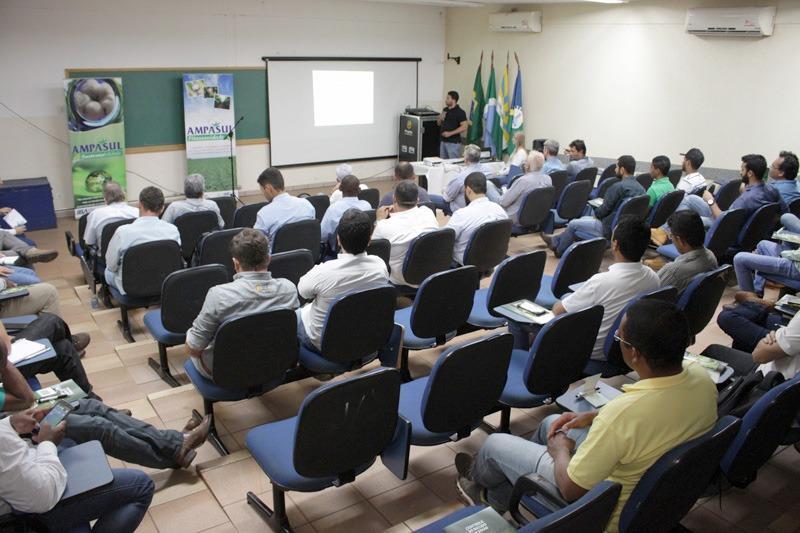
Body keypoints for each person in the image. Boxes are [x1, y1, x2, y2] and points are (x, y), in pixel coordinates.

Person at [455, 299, 717, 533]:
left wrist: (560, 452)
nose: (618, 339)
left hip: (601, 510)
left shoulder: (623, 415)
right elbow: (646, 417)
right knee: (550, 423)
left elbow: (571, 490)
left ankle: (478, 483)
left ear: (634, 353)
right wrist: (593, 416)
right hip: (652, 489)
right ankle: (498, 496)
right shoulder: (701, 378)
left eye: (620, 338)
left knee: (495, 444)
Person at [0, 323, 212, 469]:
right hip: (16, 427)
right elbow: (25, 399)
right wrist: (4, 362)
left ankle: (175, 446)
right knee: (99, 427)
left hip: (21, 414)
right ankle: (174, 450)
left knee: (93, 407)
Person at [0, 337, 155, 532]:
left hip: (22, 482)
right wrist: (47, 444)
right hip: (21, 514)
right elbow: (42, 498)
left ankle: (175, 446)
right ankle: (175, 448)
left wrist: (11, 424)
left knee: (84, 411)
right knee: (141, 485)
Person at [186, 229, 299, 379]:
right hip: (273, 362)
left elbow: (193, 348)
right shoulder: (289, 289)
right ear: (268, 259)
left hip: (226, 372)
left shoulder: (219, 295)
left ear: (235, 263)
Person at [548, 216, 660, 357]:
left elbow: (559, 311)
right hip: (624, 350)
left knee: (555, 313)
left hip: (591, 352)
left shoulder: (601, 281)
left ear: (615, 245)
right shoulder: (653, 278)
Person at [298, 209, 389, 351]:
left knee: (295, 315)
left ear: (338, 239)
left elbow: (303, 293)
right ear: (370, 240)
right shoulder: (380, 266)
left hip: (324, 344)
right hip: (363, 335)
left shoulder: (324, 272)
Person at [542, 155, 645, 258]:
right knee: (583, 219)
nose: (615, 169)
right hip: (625, 229)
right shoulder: (642, 189)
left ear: (622, 170)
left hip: (608, 229)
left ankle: (559, 250)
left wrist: (596, 209)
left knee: (573, 223)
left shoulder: (617, 187)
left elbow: (602, 212)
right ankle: (555, 240)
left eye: (617, 167)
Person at [104, 187, 180, 296]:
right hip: (164, 283)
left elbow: (111, 265)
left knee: (108, 272)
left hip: (130, 288)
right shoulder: (173, 231)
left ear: (139, 205)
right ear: (162, 208)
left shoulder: (122, 232)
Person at [685, 154, 785, 227]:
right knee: (690, 199)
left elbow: (722, 219)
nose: (740, 172)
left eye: (742, 169)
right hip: (753, 231)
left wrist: (710, 200)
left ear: (750, 173)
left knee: (687, 220)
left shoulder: (746, 199)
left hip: (726, 229)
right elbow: (784, 212)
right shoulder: (772, 190)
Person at [9, 313, 94, 398]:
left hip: (8, 357)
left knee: (64, 348)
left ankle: (88, 398)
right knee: (52, 321)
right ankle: (70, 343)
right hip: (6, 367)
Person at [715, 293, 800, 377]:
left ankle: (756, 305)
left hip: (769, 374)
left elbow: (758, 356)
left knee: (727, 319)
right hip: (787, 333)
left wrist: (774, 337)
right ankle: (756, 305)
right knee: (740, 334)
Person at [372, 181, 439, 287]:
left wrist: (379, 220)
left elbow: (372, 248)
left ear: (394, 199)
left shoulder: (383, 226)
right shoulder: (428, 212)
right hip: (431, 274)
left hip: (401, 279)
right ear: (417, 200)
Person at [446, 172, 508, 265]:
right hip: (493, 257)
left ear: (468, 190)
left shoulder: (461, 215)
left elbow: (445, 239)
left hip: (465, 261)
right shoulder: (500, 211)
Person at [656, 211, 718, 293]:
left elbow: (647, 297)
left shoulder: (672, 272)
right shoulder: (711, 256)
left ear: (680, 240)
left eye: (671, 236)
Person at [254, 167, 315, 245]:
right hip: (308, 255)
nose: (263, 194)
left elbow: (256, 246)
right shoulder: (307, 205)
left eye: (262, 191)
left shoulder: (264, 214)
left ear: (268, 188)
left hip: (279, 257)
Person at [733, 235, 800, 297]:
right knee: (762, 245)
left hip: (796, 266)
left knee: (739, 259)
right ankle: (757, 291)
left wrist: (783, 254)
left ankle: (749, 302)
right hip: (796, 258)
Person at [441, 144, 500, 214]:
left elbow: (447, 198)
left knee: (432, 198)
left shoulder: (460, 177)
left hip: (463, 209)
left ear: (465, 160)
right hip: (485, 208)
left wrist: (443, 190)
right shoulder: (490, 170)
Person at [319, 175, 373, 251]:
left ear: (340, 189)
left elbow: (322, 236)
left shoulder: (333, 209)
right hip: (364, 248)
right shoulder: (367, 206)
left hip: (338, 253)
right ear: (359, 190)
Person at [499, 151, 552, 224]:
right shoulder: (548, 179)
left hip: (515, 217)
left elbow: (503, 202)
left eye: (526, 161)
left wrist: (504, 194)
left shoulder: (523, 181)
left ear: (527, 166)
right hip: (536, 216)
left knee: (489, 186)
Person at [83, 181, 139, 249]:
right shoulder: (137, 212)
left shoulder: (95, 214)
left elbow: (89, 242)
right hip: (130, 256)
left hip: (105, 258)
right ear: (123, 194)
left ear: (104, 197)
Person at [437, 90, 468, 159]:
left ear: (453, 100)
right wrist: (439, 119)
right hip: (443, 141)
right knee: (442, 163)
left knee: (453, 165)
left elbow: (464, 127)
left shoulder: (460, 112)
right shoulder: (445, 109)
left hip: (453, 143)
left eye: (448, 98)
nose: (446, 100)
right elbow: (439, 124)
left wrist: (450, 133)